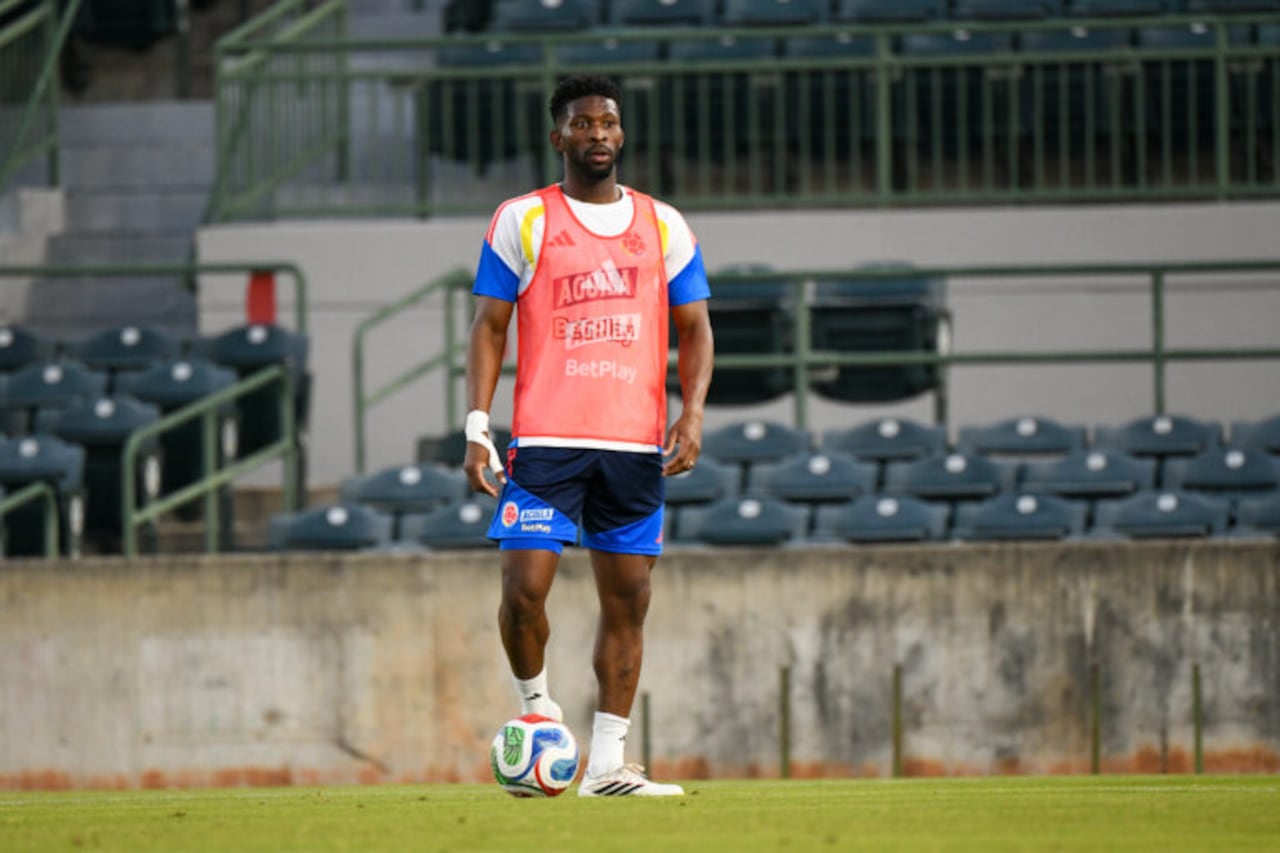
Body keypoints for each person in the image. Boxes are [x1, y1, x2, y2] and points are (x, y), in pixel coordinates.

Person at [463, 74, 714, 797]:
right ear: (559, 137)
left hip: (633, 446)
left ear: (621, 134)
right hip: (547, 442)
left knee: (629, 601)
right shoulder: (522, 219)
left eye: (607, 122)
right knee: (522, 591)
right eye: (582, 123)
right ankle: (539, 712)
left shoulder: (664, 224)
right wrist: (478, 427)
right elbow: (489, 327)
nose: (597, 133)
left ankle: (607, 764)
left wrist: (692, 413)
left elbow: (697, 329)